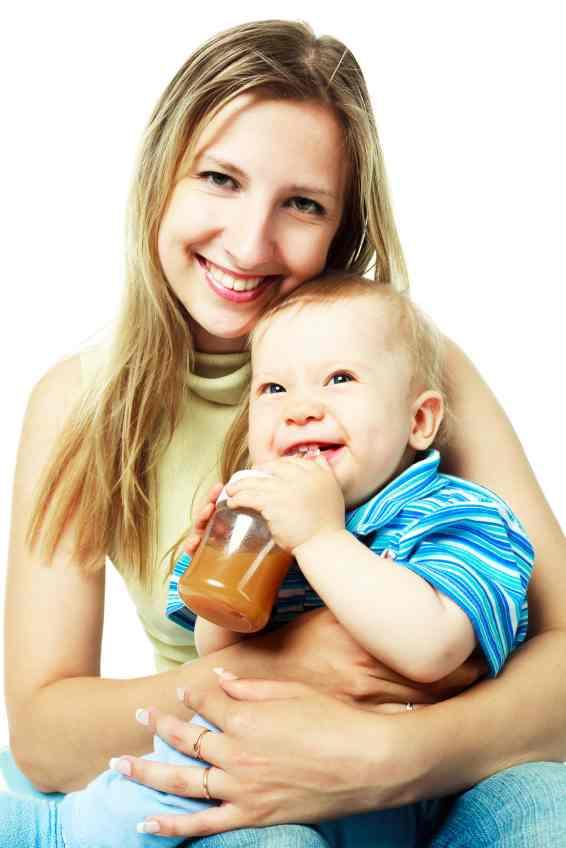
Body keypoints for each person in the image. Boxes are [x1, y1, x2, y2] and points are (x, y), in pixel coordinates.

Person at [3, 18, 566, 848]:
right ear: (160, 180)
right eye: (219, 179)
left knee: (547, 813)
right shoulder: (81, 403)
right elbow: (45, 735)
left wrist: (389, 756)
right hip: (242, 760)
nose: (249, 241)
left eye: (302, 204)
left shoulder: (412, 369)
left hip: (441, 768)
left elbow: (560, 656)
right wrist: (286, 665)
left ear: (341, 227)